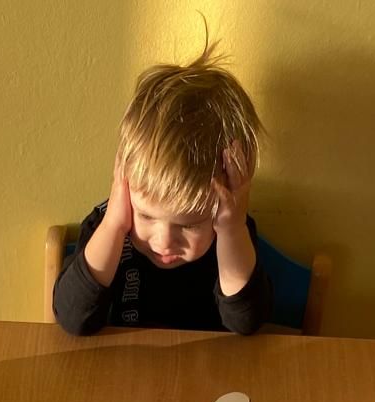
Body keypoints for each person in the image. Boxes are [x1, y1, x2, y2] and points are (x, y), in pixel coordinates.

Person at [53, 45, 273, 337]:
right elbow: (72, 319)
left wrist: (232, 230)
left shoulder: (230, 231)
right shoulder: (106, 226)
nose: (164, 241)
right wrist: (115, 224)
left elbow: (248, 322)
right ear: (124, 186)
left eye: (189, 225)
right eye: (146, 215)